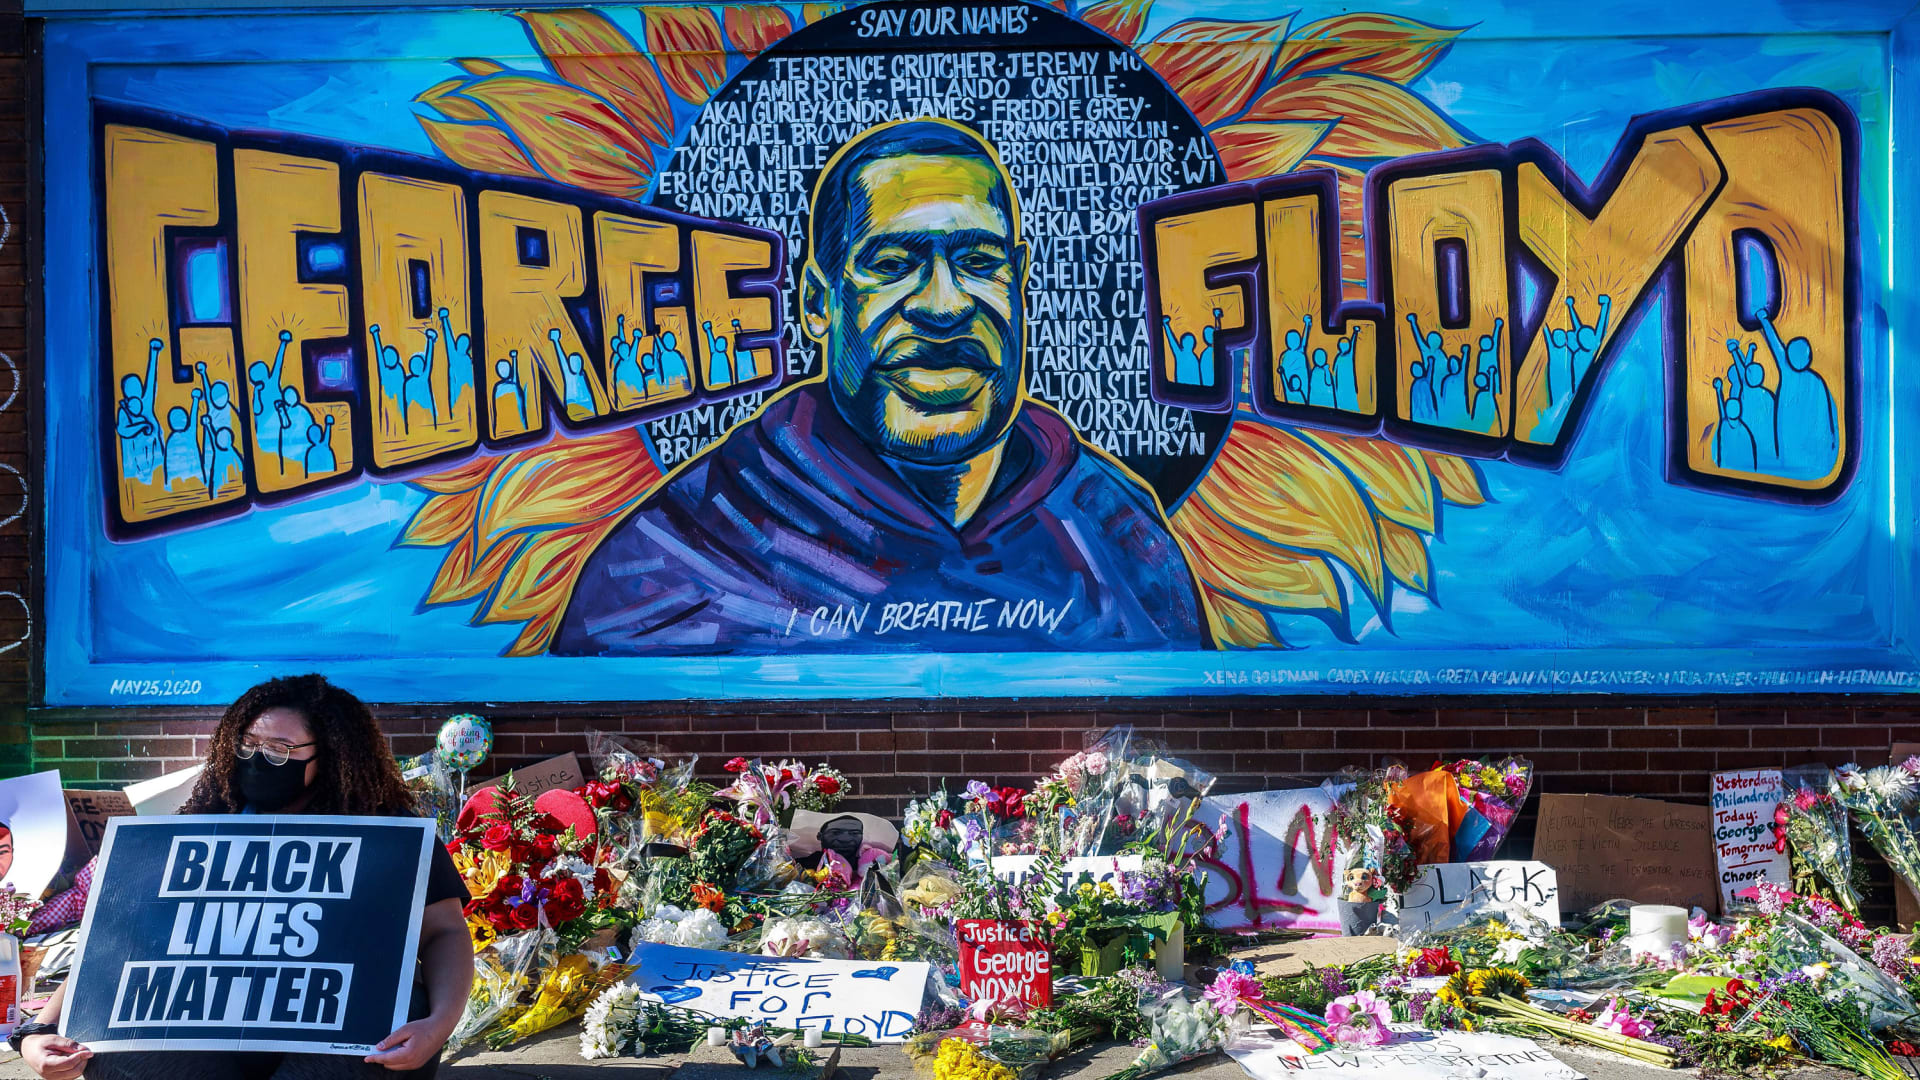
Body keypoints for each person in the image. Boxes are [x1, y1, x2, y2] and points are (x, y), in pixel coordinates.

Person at [552, 119, 1205, 655]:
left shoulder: (1113, 529)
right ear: (817, 301)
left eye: (980, 262)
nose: (946, 306)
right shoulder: (683, 551)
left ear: (1020, 280)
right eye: (892, 265)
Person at [17, 675, 473, 1080]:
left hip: (338, 1039)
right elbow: (119, 944)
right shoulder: (202, 824)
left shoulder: (387, 831)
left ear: (331, 757)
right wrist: (39, 1032)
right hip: (208, 1037)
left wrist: (437, 1027)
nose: (257, 758)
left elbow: (446, 931)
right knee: (110, 1050)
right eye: (248, 743)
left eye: (279, 750)